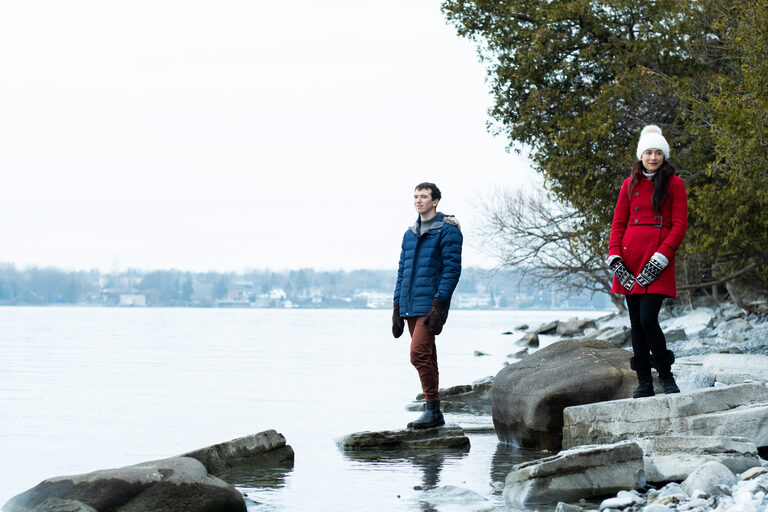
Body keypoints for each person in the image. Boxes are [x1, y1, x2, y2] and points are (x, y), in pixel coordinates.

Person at [607, 125, 688, 398]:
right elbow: (618, 224)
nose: (653, 157)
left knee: (648, 319)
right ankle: (643, 381)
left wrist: (661, 258)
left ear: (664, 155)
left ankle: (665, 375)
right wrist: (616, 258)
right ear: (641, 155)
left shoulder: (675, 184)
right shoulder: (629, 185)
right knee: (636, 324)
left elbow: (679, 226)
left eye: (658, 153)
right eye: (648, 152)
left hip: (657, 259)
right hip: (629, 258)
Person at [392, 182, 463, 429]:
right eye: (415, 196)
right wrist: (396, 306)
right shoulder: (409, 234)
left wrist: (439, 303)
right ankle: (434, 412)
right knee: (428, 355)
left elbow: (452, 270)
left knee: (418, 353)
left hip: (431, 304)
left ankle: (431, 405)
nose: (418, 200)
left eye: (423, 196)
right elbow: (402, 271)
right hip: (410, 303)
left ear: (435, 201)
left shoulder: (448, 230)